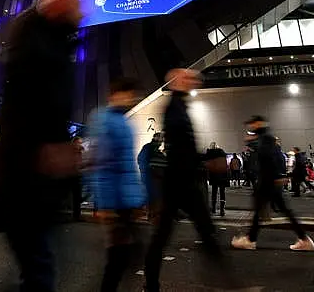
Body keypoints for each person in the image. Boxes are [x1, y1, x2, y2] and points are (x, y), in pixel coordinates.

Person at [0, 0, 82, 292]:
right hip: (27, 174)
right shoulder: (35, 45)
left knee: (39, 263)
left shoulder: (53, 43)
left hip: (36, 177)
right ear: (54, 3)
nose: (82, 9)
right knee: (39, 267)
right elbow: (30, 104)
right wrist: (49, 146)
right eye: (75, 2)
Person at [144, 69, 228, 292]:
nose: (195, 82)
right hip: (178, 183)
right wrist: (206, 162)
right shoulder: (174, 108)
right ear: (177, 81)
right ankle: (151, 284)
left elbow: (184, 147)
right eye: (189, 78)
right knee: (165, 238)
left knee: (204, 230)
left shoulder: (179, 106)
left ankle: (225, 280)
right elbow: (181, 148)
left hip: (182, 182)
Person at [89, 77, 145, 292]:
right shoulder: (105, 121)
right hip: (116, 203)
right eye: (127, 93)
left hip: (127, 201)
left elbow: (128, 165)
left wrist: (138, 200)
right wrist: (105, 206)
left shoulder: (124, 121)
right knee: (119, 258)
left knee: (128, 255)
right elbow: (102, 165)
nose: (131, 98)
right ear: (114, 95)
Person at [232, 116, 314, 252]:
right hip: (270, 180)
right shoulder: (266, 137)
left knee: (261, 211)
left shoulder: (265, 138)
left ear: (258, 123)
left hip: (268, 180)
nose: (250, 128)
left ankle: (250, 240)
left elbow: (267, 156)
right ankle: (304, 239)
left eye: (252, 124)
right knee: (280, 210)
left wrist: (277, 176)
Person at [137, 133, 165, 222]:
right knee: (152, 197)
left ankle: (152, 215)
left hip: (152, 177)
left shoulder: (152, 149)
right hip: (150, 177)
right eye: (160, 141)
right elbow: (142, 160)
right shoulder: (150, 148)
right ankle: (152, 215)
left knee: (153, 197)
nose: (161, 143)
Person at [206, 143, 229, 216]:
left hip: (214, 175)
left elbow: (208, 166)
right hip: (222, 175)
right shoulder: (223, 154)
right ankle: (222, 210)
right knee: (222, 192)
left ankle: (213, 209)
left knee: (214, 192)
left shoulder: (210, 154)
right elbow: (226, 166)